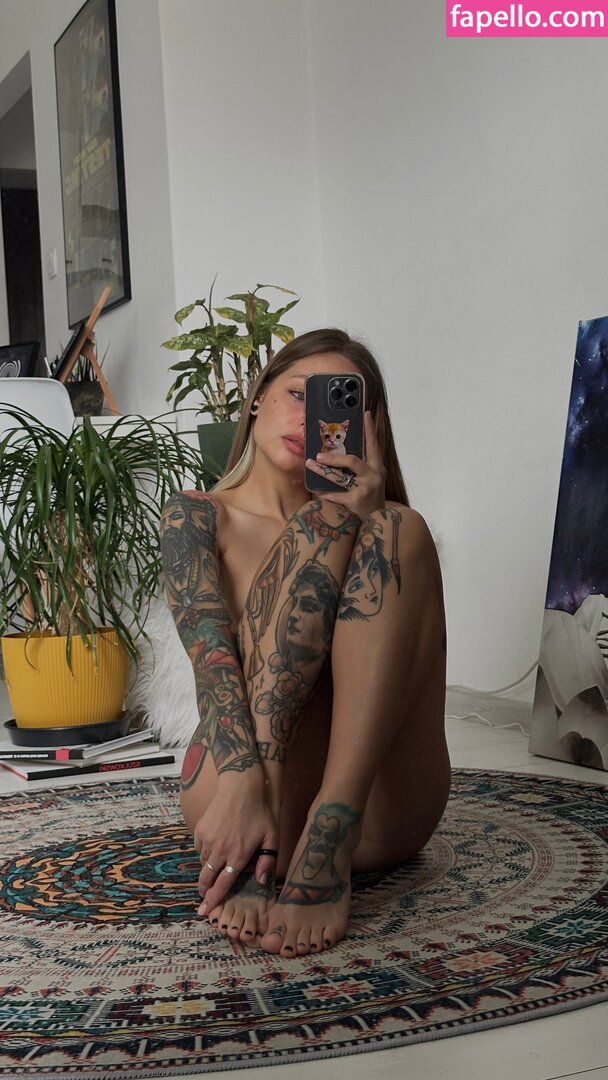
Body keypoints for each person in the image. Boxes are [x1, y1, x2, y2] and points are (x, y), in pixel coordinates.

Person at [160, 328, 450, 958]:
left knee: (399, 527)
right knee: (347, 526)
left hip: (373, 813)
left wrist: (354, 517)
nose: (308, 420)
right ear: (258, 397)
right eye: (298, 394)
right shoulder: (198, 515)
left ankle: (331, 830)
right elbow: (211, 662)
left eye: (336, 404)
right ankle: (263, 828)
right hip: (242, 793)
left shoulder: (383, 528)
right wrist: (245, 787)